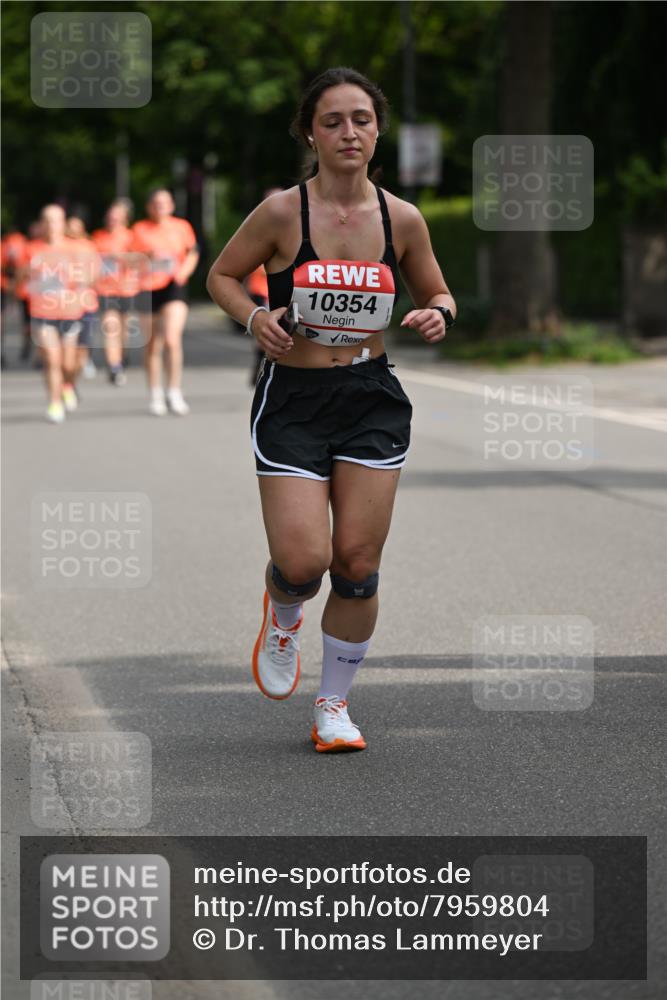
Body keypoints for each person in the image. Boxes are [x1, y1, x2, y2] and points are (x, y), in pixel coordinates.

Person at [207, 67, 456, 753]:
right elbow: (221, 276)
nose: (349, 132)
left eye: (361, 120)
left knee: (356, 561)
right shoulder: (283, 212)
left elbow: (438, 291)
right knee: (304, 560)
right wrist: (255, 316)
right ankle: (283, 610)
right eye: (332, 121)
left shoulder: (399, 218)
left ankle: (333, 706)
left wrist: (436, 314)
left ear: (377, 130)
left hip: (370, 397)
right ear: (310, 133)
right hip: (291, 400)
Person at [20, 204, 99, 423]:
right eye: (47, 220)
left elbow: (92, 275)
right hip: (42, 312)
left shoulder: (76, 248)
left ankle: (67, 384)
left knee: (69, 364)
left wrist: (78, 279)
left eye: (55, 220)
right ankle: (54, 402)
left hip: (70, 311)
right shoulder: (31, 249)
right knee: (52, 360)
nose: (51, 224)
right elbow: (20, 280)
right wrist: (27, 275)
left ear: (63, 223)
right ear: (41, 223)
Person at [131, 189, 199, 416]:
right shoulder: (139, 230)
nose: (160, 207)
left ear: (171, 205)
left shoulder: (181, 227)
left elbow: (193, 252)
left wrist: (184, 273)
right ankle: (155, 393)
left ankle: (174, 390)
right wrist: (146, 256)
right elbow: (128, 261)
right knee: (153, 344)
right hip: (147, 289)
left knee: (171, 339)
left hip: (173, 286)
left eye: (164, 203)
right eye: (155, 203)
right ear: (149, 207)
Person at [92, 199, 139, 386]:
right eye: (110, 217)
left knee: (124, 330)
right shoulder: (97, 236)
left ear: (125, 219)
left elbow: (141, 260)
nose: (112, 220)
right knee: (110, 327)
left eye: (117, 218)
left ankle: (122, 356)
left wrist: (120, 257)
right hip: (105, 289)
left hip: (127, 288)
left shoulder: (131, 236)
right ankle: (114, 366)